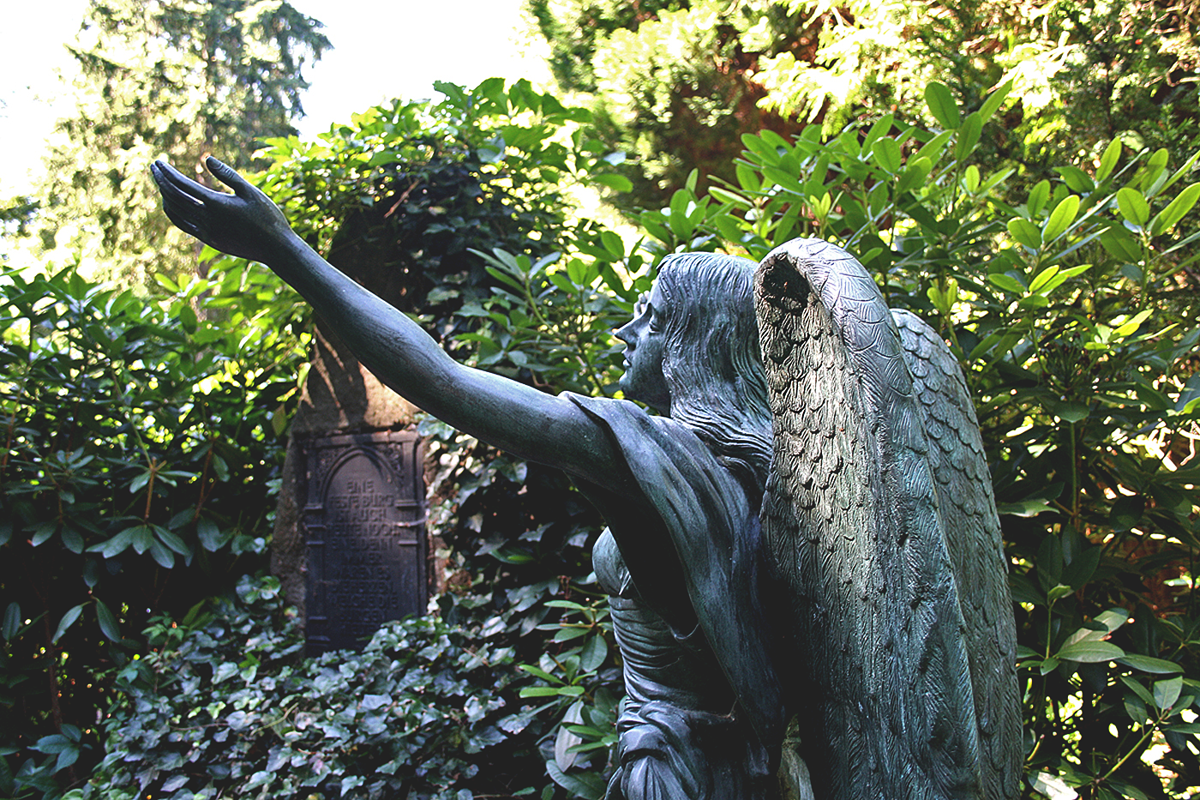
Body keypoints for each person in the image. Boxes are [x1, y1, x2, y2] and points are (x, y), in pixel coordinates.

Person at [151, 157, 792, 799]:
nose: (625, 331)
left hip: (679, 774)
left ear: (694, 341)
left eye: (649, 317)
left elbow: (442, 379)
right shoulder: (740, 475)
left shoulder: (666, 462)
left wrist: (285, 251)